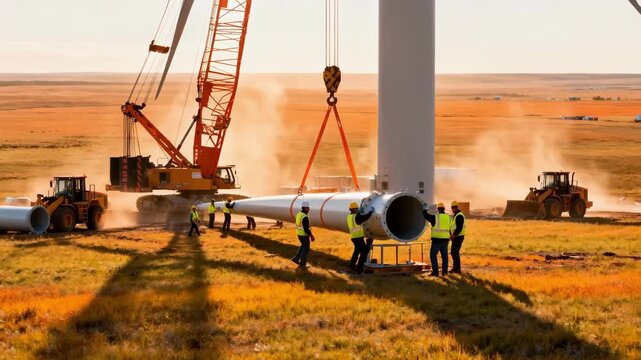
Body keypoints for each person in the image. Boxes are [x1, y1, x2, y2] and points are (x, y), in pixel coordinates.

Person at [423, 202, 451, 277]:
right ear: (444, 209)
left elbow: (426, 216)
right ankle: (445, 272)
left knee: (433, 255)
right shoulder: (449, 217)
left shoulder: (435, 217)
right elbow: (450, 228)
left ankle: (435, 272)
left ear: (438, 209)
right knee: (445, 256)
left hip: (437, 240)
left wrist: (424, 209)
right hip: (446, 240)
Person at [347, 202, 373, 274]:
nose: (357, 210)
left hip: (354, 237)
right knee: (364, 252)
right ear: (354, 209)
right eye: (357, 209)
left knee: (357, 251)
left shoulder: (349, 216)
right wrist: (370, 211)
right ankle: (359, 269)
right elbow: (365, 217)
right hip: (358, 238)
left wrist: (359, 212)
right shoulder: (357, 217)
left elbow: (358, 217)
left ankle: (352, 266)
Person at [292, 201, 315, 270]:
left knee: (303, 246)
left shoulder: (299, 214)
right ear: (305, 208)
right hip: (304, 235)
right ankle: (303, 264)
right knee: (306, 249)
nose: (309, 209)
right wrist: (311, 235)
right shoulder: (304, 217)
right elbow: (306, 229)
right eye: (308, 208)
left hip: (299, 234)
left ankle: (296, 259)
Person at [450, 201, 466, 274]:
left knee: (454, 252)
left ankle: (457, 269)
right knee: (454, 252)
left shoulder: (459, 215)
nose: (453, 209)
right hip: (457, 236)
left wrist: (454, 235)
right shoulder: (456, 215)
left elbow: (459, 227)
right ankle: (455, 268)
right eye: (453, 207)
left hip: (458, 237)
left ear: (456, 207)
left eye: (454, 207)